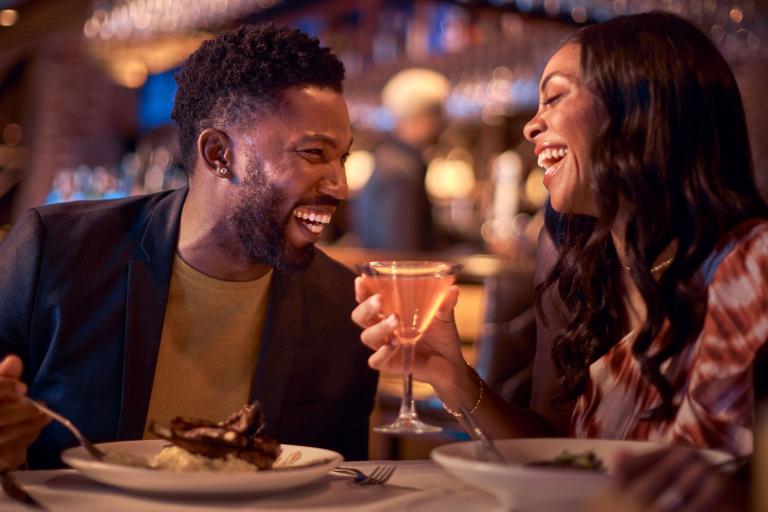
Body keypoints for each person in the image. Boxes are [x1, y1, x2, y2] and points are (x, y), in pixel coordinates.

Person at [353, 11, 767, 507]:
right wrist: (452, 376)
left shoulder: (752, 266)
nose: (531, 125)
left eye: (554, 97)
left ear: (640, 107)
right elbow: (550, 453)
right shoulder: (572, 258)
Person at [0, 24, 378, 470]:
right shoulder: (58, 251)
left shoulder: (344, 307)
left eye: (343, 158)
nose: (340, 185)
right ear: (219, 154)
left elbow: (349, 482)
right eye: (315, 153)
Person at [352, 67, 450, 251]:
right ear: (419, 119)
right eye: (437, 116)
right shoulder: (399, 172)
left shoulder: (391, 159)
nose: (442, 124)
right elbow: (402, 252)